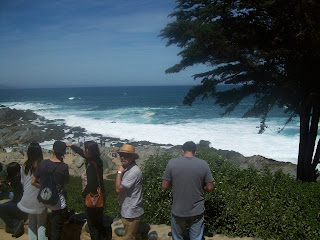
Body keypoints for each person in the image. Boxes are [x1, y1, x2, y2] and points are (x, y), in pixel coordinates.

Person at [162, 141, 214, 240]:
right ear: (195, 152)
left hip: (178, 209)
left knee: (177, 237)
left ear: (182, 151)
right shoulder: (203, 164)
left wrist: (175, 184)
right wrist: (203, 187)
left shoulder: (172, 163)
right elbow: (210, 188)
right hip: (196, 210)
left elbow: (164, 186)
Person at [66, 141, 106, 240]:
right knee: (98, 223)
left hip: (92, 197)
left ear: (89, 151)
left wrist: (83, 194)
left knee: (93, 225)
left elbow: (91, 185)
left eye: (85, 148)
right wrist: (71, 146)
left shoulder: (91, 166)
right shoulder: (97, 160)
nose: (83, 150)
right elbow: (81, 152)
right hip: (101, 194)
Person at [32, 141, 69, 240]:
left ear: (52, 150)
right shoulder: (64, 167)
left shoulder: (43, 163)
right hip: (57, 204)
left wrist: (45, 188)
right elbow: (65, 182)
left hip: (44, 200)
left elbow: (33, 182)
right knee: (56, 232)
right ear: (64, 153)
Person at [18, 143, 48, 240]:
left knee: (32, 223)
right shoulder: (43, 165)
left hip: (27, 199)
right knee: (42, 224)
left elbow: (23, 182)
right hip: (39, 200)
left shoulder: (24, 166)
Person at [115, 144, 144, 240]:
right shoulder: (128, 168)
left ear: (132, 157)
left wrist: (119, 172)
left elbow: (118, 189)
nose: (123, 157)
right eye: (121, 155)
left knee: (129, 237)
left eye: (126, 155)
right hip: (130, 210)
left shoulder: (133, 172)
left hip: (131, 212)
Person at [0, 162, 28, 238]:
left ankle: (15, 224)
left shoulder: (16, 180)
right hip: (27, 203)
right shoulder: (23, 177)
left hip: (20, 206)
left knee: (1, 208)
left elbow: (17, 199)